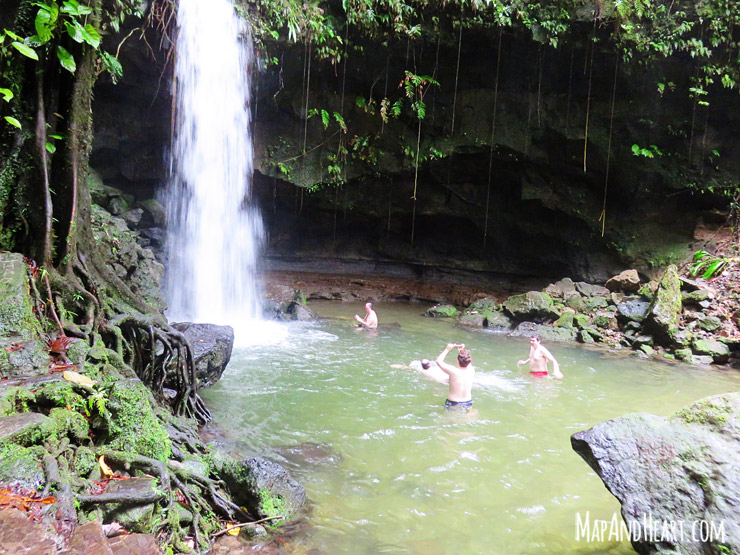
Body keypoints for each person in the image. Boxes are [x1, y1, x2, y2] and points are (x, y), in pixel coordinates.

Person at [436, 343, 475, 409]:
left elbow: (438, 361)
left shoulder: (453, 371)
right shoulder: (471, 371)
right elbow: (467, 361)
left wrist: (447, 349)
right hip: (468, 403)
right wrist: (462, 350)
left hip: (453, 403)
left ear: (457, 361)